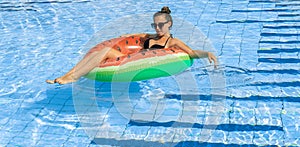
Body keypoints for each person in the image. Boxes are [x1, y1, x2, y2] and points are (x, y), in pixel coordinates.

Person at [46, 6, 218, 84]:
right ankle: (69, 75)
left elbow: (190, 52)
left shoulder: (172, 41)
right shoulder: (149, 36)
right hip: (127, 58)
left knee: (105, 52)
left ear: (169, 24)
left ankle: (72, 77)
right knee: (104, 50)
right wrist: (122, 37)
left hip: (137, 63)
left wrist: (207, 53)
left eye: (161, 25)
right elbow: (132, 37)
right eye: (155, 25)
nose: (158, 28)